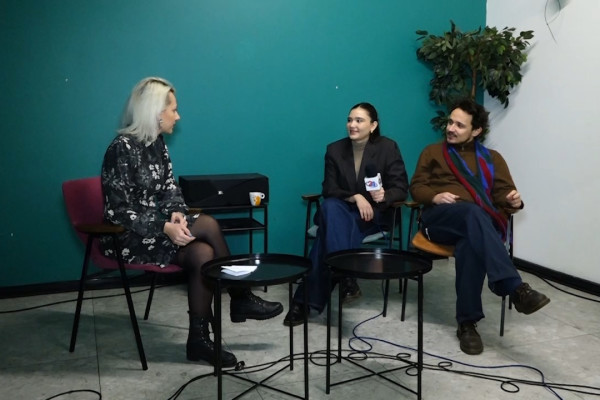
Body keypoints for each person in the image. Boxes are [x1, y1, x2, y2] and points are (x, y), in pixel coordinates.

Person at [100, 77, 283, 367]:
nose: (178, 116)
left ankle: (198, 340)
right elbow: (118, 211)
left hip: (157, 231)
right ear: (156, 112)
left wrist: (175, 212)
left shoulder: (156, 143)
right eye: (174, 109)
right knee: (207, 224)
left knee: (203, 253)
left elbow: (169, 188)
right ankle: (239, 295)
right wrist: (164, 226)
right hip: (127, 236)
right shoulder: (121, 148)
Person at [409, 97, 550, 355]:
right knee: (473, 213)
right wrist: (435, 197)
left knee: (470, 243)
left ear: (476, 131)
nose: (451, 128)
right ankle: (514, 287)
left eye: (459, 125)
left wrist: (513, 201)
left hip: (474, 225)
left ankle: (467, 324)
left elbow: (505, 194)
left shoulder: (492, 159)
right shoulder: (432, 152)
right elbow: (417, 186)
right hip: (438, 220)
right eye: (450, 122)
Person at [284, 102, 409, 326]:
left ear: (373, 125)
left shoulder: (388, 147)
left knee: (325, 238)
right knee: (330, 207)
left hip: (372, 215)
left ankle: (304, 301)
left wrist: (384, 195)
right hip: (342, 209)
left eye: (359, 120)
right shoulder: (334, 150)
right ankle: (346, 275)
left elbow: (401, 187)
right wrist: (355, 197)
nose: (352, 125)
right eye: (350, 120)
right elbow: (329, 189)